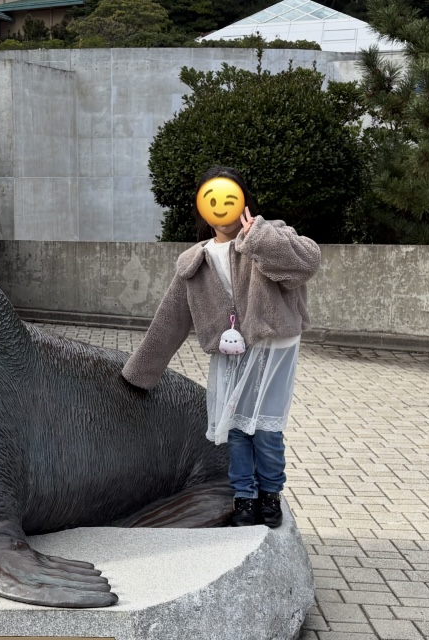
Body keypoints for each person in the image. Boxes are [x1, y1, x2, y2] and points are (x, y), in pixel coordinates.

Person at [121, 167, 320, 527]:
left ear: (243, 200)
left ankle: (270, 495)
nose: (220, 206)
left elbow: (306, 263)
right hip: (230, 353)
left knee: (266, 430)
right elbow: (169, 321)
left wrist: (257, 236)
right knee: (235, 430)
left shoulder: (270, 235)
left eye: (229, 197)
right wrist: (138, 374)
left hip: (273, 349)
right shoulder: (195, 261)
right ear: (201, 207)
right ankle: (244, 498)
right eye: (211, 199)